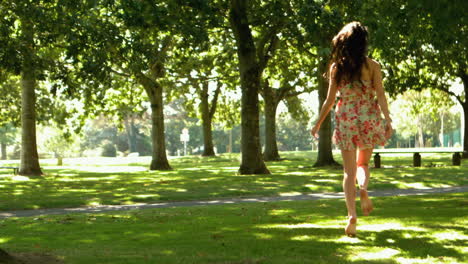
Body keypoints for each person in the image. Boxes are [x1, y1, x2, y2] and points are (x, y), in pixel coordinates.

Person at [310, 21, 393, 237]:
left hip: (346, 117)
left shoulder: (337, 67)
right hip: (368, 116)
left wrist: (318, 123)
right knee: (363, 164)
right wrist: (388, 120)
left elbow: (329, 101)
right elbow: (381, 95)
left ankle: (351, 216)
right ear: (364, 43)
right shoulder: (373, 66)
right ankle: (363, 189)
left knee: (348, 172)